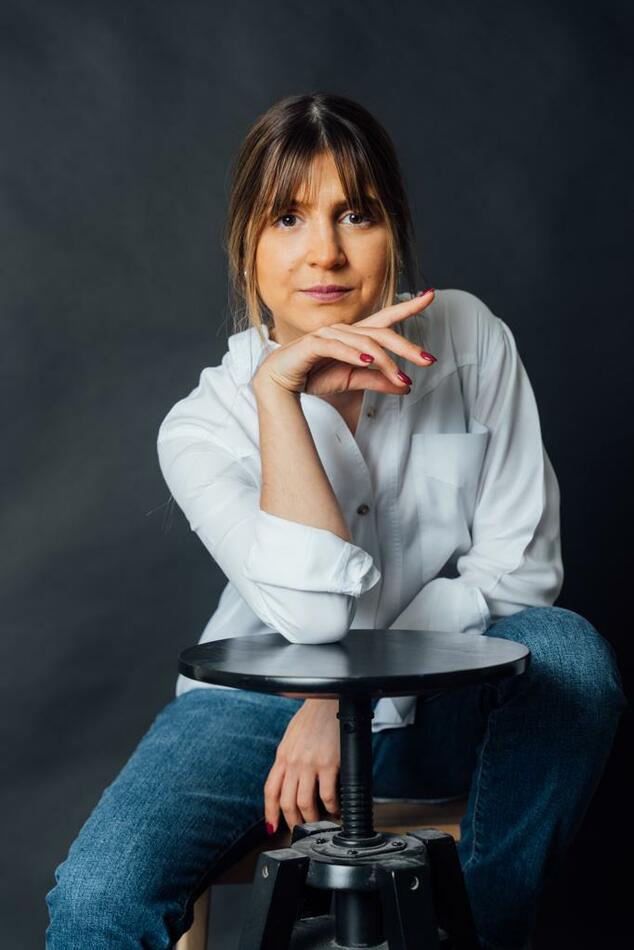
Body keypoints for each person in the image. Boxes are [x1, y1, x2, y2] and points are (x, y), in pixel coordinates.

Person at [45, 92, 628, 950]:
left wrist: (340, 703)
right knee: (98, 897)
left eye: (356, 213)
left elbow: (521, 575)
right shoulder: (202, 428)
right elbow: (313, 621)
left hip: (444, 706)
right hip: (256, 711)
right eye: (288, 218)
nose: (326, 251)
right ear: (247, 248)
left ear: (394, 230)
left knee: (569, 660)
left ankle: (482, 936)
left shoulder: (468, 338)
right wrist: (281, 396)